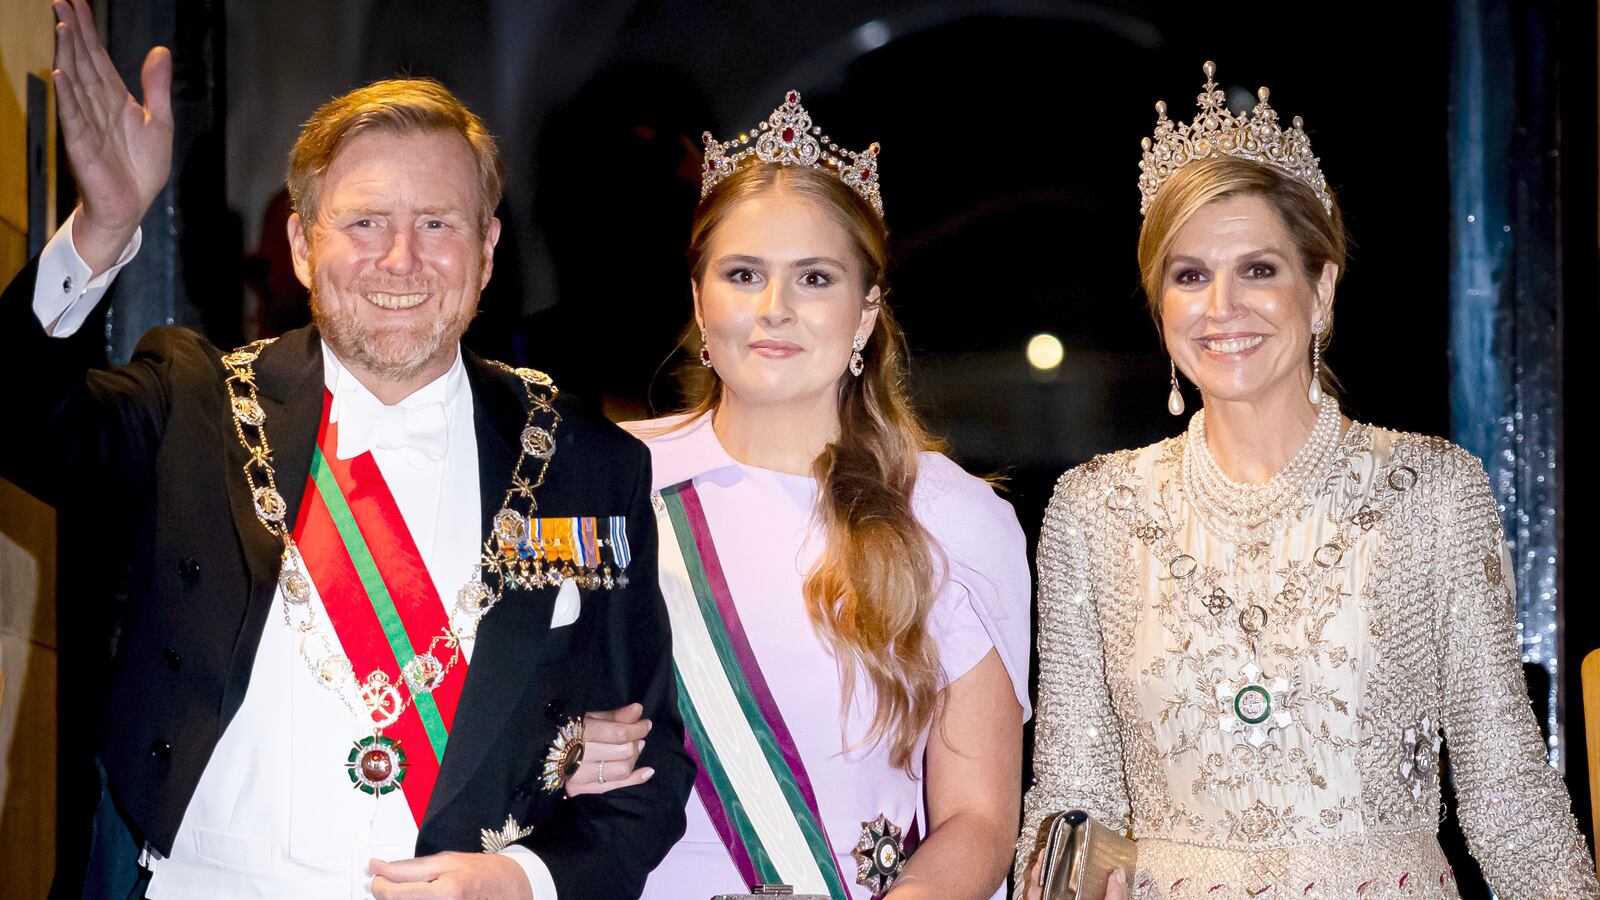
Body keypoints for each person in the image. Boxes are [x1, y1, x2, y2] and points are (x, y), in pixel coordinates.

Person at [1, 2, 691, 896]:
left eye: (439, 224)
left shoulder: (586, 463)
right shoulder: (197, 405)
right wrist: (99, 230)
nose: (400, 259)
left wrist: (524, 879)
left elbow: (650, 770)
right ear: (300, 243)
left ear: (486, 251)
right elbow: (16, 416)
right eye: (364, 223)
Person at [1014, 62, 1600, 900]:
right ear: (1160, 306)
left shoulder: (1433, 491)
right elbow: (1073, 797)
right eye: (1189, 276)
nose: (1222, 307)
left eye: (1259, 269)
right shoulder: (1093, 510)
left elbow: (1508, 795)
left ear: (1320, 290)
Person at [610, 90, 1032, 900]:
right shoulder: (611, 481)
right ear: (700, 301)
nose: (775, 309)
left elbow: (979, 821)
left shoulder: (950, 518)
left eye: (814, 278)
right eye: (743, 275)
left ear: (866, 312)